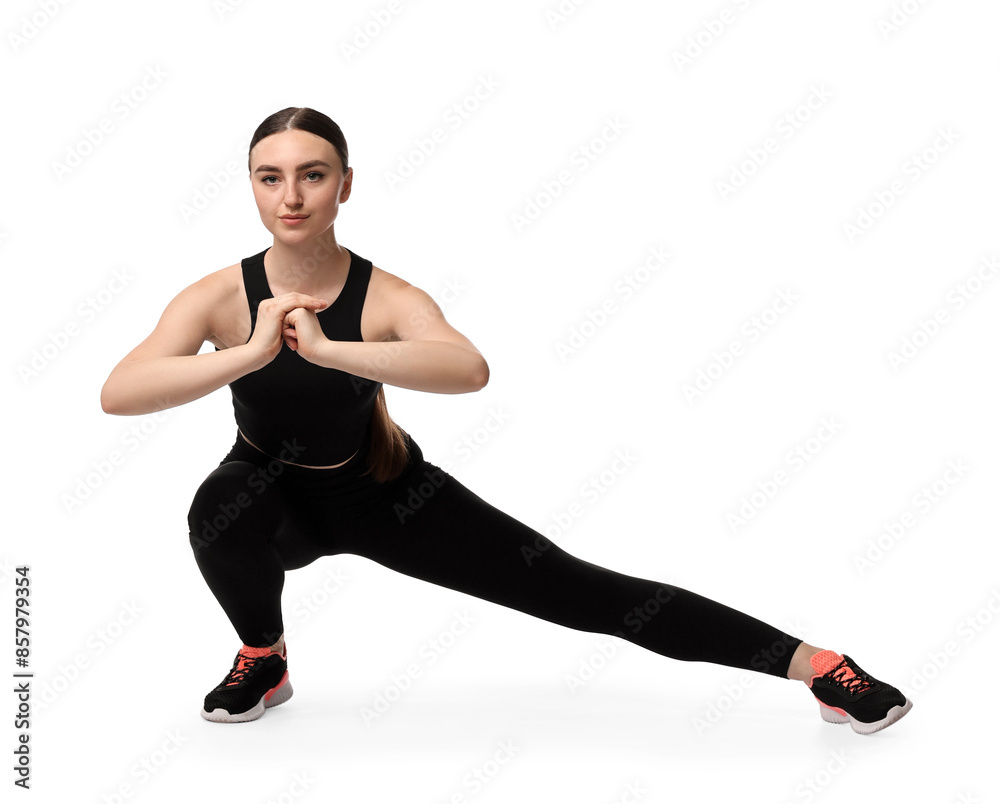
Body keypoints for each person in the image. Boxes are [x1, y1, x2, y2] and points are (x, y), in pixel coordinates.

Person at [100, 107, 912, 734]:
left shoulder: (387, 296)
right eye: (269, 177)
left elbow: (467, 369)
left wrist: (329, 350)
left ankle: (820, 666)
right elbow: (121, 390)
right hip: (269, 495)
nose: (291, 196)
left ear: (345, 184)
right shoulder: (217, 294)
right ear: (250, 185)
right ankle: (263, 657)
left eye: (312, 175)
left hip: (386, 493)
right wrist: (245, 354)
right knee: (218, 507)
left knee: (582, 591)